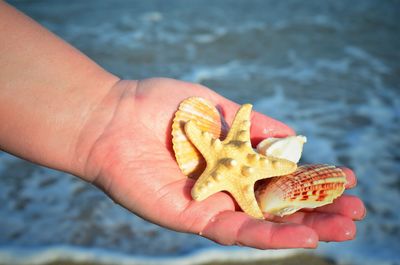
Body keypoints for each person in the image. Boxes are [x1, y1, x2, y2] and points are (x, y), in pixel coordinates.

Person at [0, 2, 365, 249]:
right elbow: (227, 152)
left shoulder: (237, 154)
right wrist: (105, 109)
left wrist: (104, 107)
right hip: (234, 167)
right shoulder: (230, 153)